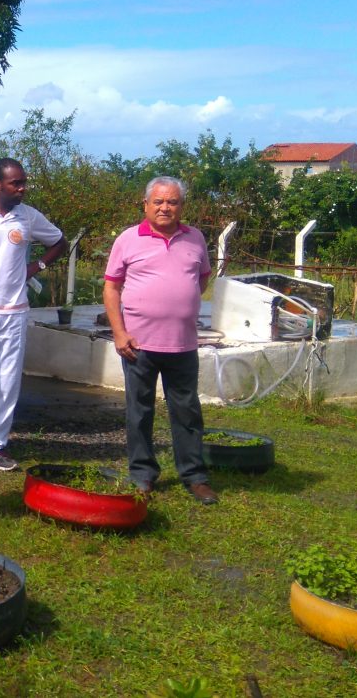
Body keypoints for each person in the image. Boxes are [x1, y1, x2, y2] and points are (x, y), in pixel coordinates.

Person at [103, 177, 218, 504]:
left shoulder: (195, 238)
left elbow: (202, 279)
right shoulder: (128, 239)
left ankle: (194, 476)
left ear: (181, 206)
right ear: (146, 204)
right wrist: (119, 332)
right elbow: (111, 288)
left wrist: (178, 306)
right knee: (139, 412)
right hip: (137, 345)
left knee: (187, 411)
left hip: (182, 344)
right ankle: (142, 475)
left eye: (172, 202)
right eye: (158, 202)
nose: (165, 207)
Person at [0, 158, 66, 471]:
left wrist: (36, 266)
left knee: (6, 383)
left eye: (23, 183)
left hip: (13, 312)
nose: (22, 189)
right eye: (15, 183)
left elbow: (59, 242)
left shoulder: (28, 217)